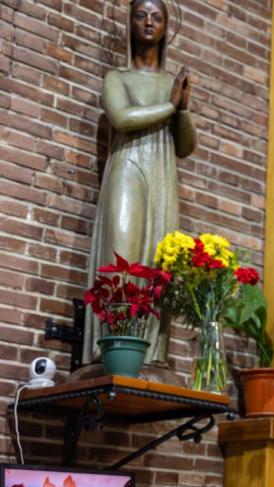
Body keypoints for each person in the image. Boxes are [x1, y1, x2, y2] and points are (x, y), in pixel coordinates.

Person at [84, 0, 197, 366]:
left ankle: (149, 356)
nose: (149, 22)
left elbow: (186, 146)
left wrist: (182, 108)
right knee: (121, 259)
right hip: (128, 171)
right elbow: (121, 117)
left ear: (166, 26)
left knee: (155, 265)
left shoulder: (170, 84)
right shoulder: (116, 78)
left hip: (162, 177)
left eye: (157, 16)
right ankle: (110, 351)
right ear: (130, 23)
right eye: (140, 15)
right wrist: (170, 107)